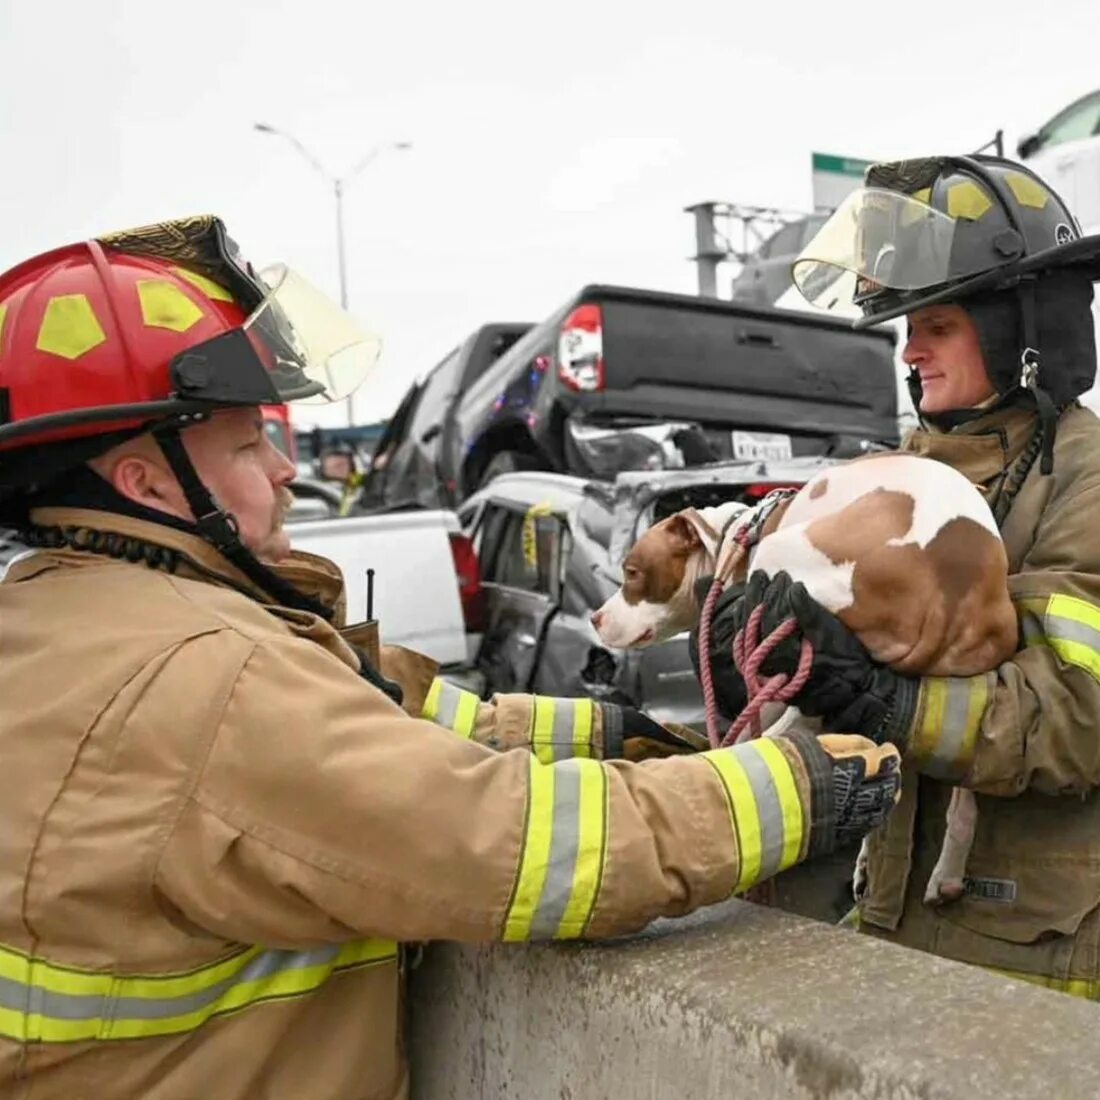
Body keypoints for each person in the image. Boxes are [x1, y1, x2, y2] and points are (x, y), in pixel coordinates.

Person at [0, 216, 900, 1098]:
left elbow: (382, 718)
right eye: (247, 442)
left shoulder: (65, 620)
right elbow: (504, 847)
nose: (283, 468)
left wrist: (599, 731)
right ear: (147, 482)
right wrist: (786, 788)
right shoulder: (204, 671)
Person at [697, 154, 1100, 999]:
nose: (909, 351)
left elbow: (1074, 722)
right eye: (904, 327)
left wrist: (887, 702)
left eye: (939, 324)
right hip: (894, 920)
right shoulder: (902, 478)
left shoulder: (1087, 482)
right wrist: (764, 659)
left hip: (1038, 957)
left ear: (1023, 330)